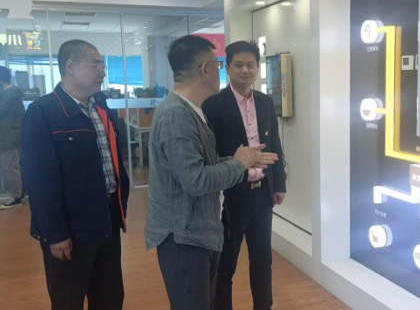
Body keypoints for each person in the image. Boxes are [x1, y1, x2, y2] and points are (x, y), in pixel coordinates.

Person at [145, 35, 279, 310]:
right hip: (184, 237)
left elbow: (205, 162)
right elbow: (196, 180)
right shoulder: (177, 115)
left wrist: (242, 160)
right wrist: (239, 164)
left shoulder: (190, 110)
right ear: (205, 69)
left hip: (200, 231)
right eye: (219, 65)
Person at [22, 40, 130, 310]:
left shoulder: (101, 107)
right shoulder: (43, 112)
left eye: (102, 64)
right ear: (70, 66)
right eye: (95, 63)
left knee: (110, 298)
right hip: (70, 228)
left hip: (106, 219)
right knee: (68, 300)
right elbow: (39, 181)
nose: (102, 70)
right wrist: (55, 234)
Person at [203, 40, 287, 310]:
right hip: (231, 195)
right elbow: (209, 152)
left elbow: (275, 145)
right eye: (238, 65)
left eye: (250, 65)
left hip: (262, 193)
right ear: (227, 68)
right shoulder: (213, 105)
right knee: (225, 264)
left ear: (257, 69)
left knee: (263, 261)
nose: (245, 70)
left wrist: (279, 183)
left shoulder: (265, 102)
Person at [0, 66, 25, 210]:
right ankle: (18, 194)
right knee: (14, 166)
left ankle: (16, 197)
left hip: (9, 137)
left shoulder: (9, 95)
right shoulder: (11, 94)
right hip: (12, 135)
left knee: (10, 167)